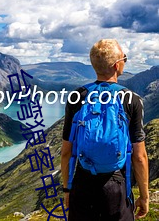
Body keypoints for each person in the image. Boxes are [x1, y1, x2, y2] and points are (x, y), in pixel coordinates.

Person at [61, 39, 149, 221]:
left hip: (83, 183)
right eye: (125, 58)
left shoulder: (77, 96)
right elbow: (139, 156)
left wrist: (67, 189)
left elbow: (66, 152)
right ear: (117, 65)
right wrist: (144, 196)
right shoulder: (131, 100)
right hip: (116, 186)